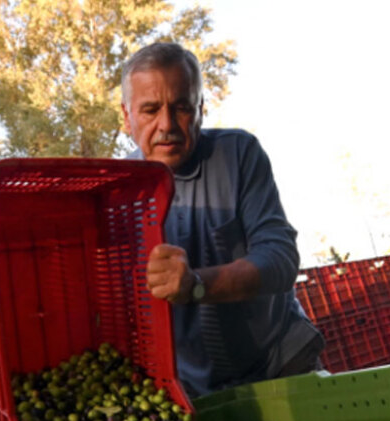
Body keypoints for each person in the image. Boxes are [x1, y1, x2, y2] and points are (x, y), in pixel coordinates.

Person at [120, 42, 324, 397]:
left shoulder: (238, 154)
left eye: (181, 107)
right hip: (195, 392)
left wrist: (196, 284)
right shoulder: (117, 193)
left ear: (201, 109)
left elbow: (280, 258)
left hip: (281, 364)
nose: (166, 125)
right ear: (127, 117)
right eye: (150, 110)